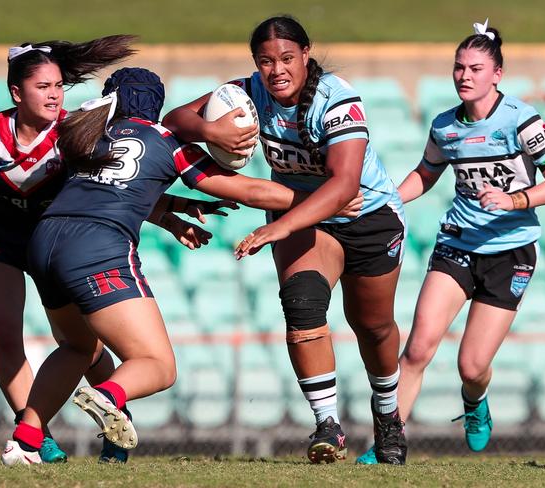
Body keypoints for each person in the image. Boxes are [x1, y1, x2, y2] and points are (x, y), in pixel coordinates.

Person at [0, 66, 361, 466]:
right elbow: (252, 189)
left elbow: (109, 190)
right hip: (97, 247)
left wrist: (171, 213)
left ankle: (25, 440)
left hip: (44, 242)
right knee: (157, 365)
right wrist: (326, 199)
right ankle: (106, 396)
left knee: (76, 346)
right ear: (155, 105)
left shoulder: (82, 135)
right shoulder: (166, 141)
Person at [164, 15, 408, 465]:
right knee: (301, 303)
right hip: (305, 218)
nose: (276, 69)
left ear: (306, 54)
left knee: (372, 326)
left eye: (286, 58)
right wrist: (210, 130)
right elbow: (175, 119)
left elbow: (345, 186)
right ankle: (327, 425)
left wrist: (279, 225)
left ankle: (388, 416)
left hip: (368, 217)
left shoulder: (338, 97)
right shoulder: (248, 91)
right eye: (265, 61)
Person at [355, 19, 545, 464]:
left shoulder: (522, 120)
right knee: (416, 349)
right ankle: (386, 449)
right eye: (459, 67)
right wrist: (388, 198)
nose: (464, 75)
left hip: (511, 251)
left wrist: (514, 200)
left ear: (497, 74)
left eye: (475, 68)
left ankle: (475, 402)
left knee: (471, 368)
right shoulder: (444, 127)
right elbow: (426, 174)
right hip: (457, 244)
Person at [0, 35, 142, 464]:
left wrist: (172, 214)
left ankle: (117, 420)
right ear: (17, 92)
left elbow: (120, 186)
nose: (55, 95)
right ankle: (34, 434)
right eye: (43, 87)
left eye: (59, 86)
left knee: (86, 348)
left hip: (55, 246)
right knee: (4, 333)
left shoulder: (75, 134)